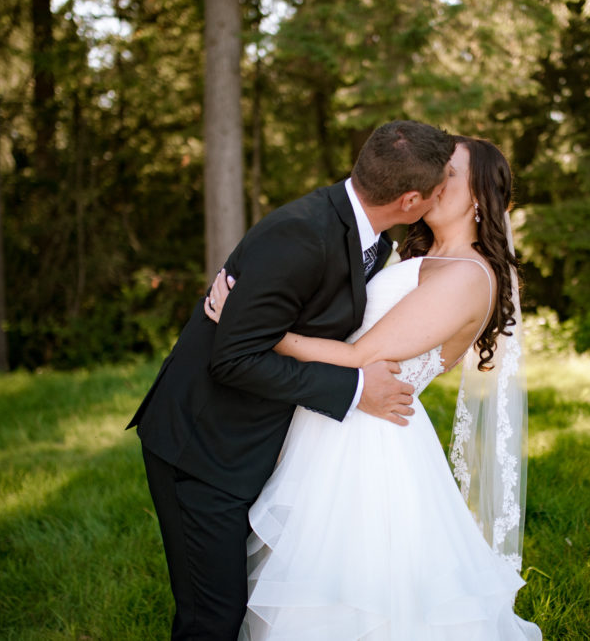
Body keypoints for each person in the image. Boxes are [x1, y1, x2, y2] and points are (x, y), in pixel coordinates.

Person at [128, 120, 458, 639]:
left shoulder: (369, 236)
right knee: (212, 617)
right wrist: (354, 391)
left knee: (243, 602)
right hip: (203, 447)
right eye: (440, 189)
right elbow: (233, 357)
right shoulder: (301, 233)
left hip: (257, 441)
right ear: (411, 199)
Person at [204, 136, 542, 639]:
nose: (433, 179)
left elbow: (361, 356)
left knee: (356, 595)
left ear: (480, 197)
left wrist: (252, 326)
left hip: (369, 440)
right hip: (341, 419)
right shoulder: (414, 257)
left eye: (450, 173)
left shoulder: (467, 274)